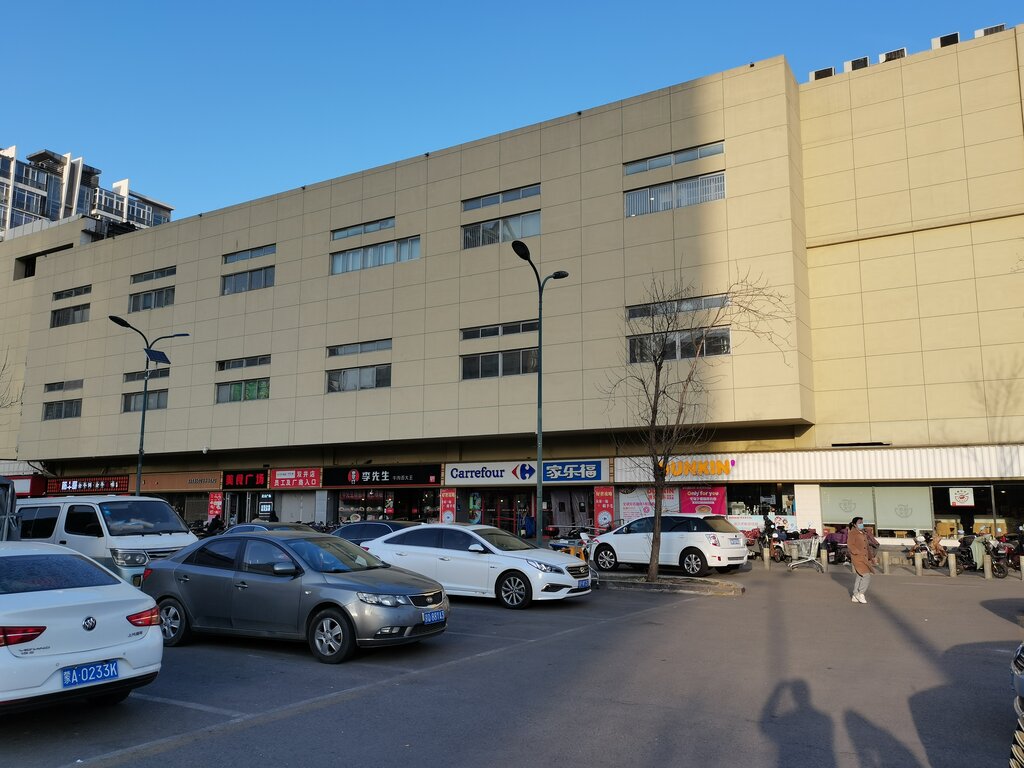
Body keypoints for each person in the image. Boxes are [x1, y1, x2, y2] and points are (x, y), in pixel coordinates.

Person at [847, 516, 875, 604]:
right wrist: (856, 552)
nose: (861, 524)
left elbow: (866, 547)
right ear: (854, 524)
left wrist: (871, 557)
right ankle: (861, 593)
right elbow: (850, 544)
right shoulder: (852, 533)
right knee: (866, 575)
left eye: (862, 522)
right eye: (859, 523)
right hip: (858, 558)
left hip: (864, 557)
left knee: (860, 575)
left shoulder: (862, 533)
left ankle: (855, 594)